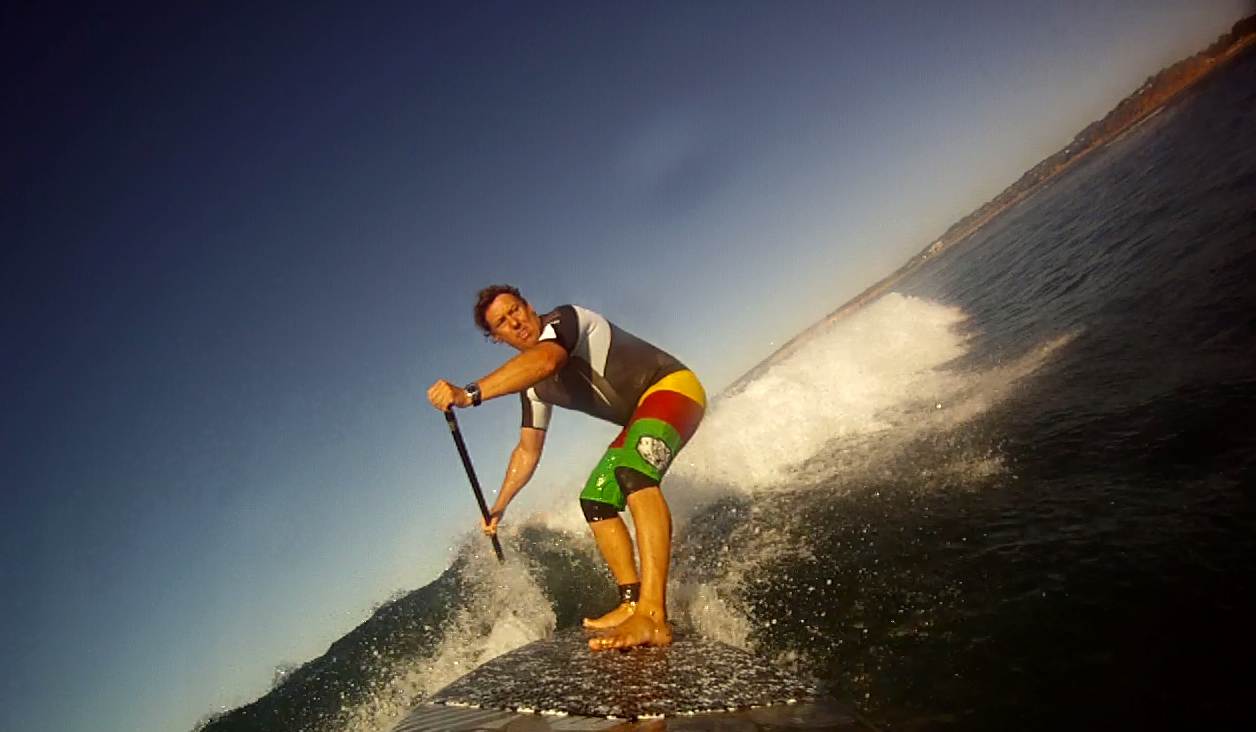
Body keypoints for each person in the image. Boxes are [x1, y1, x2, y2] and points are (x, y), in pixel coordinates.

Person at [426, 285, 705, 651]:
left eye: (515, 310)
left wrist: (469, 394)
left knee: (633, 473)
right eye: (503, 322)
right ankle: (631, 602)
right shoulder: (533, 390)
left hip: (674, 389)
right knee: (595, 499)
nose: (515, 322)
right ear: (497, 338)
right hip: (640, 419)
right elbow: (527, 451)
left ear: (529, 306)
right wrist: (499, 507)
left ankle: (652, 616)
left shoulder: (566, 320)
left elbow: (546, 361)